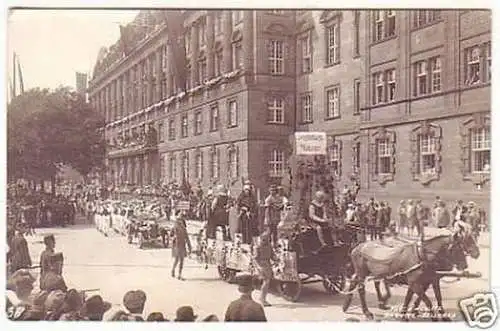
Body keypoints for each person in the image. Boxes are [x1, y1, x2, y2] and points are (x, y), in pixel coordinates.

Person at [253, 230, 276, 307]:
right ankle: (262, 299)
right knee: (266, 282)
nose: (265, 240)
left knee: (267, 282)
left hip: (267, 264)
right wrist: (259, 267)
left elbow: (272, 256)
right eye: (264, 239)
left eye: (266, 239)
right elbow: (255, 258)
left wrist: (276, 260)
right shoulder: (258, 247)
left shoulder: (269, 246)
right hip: (262, 265)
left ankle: (263, 298)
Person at [171, 215, 192, 280]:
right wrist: (174, 238)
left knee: (181, 260)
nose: (180, 221)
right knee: (177, 260)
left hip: (182, 245)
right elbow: (171, 235)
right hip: (177, 245)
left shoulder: (183, 228)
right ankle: (173, 270)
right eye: (179, 220)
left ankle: (179, 274)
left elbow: (187, 237)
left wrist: (189, 246)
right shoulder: (175, 227)